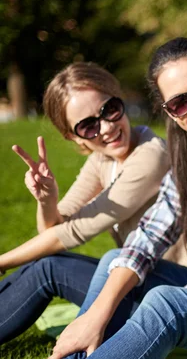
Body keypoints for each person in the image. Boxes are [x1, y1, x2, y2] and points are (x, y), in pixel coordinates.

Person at [49, 37, 187, 359]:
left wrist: (147, 311)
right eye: (180, 103)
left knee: (164, 304)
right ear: (169, 112)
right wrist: (96, 315)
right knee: (115, 264)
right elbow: (148, 236)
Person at [0, 62, 170, 343]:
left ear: (119, 99)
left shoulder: (151, 155)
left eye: (110, 109)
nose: (106, 128)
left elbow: (69, 235)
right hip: (136, 278)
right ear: (73, 135)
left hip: (170, 290)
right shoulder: (102, 159)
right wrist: (48, 200)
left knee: (48, 269)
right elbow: (53, 232)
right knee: (48, 263)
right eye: (89, 126)